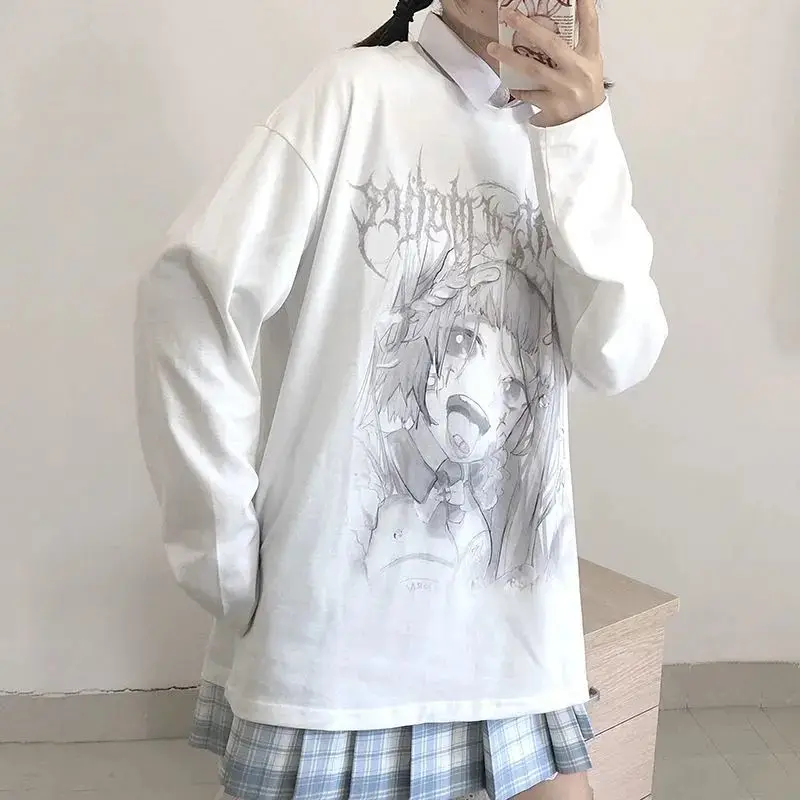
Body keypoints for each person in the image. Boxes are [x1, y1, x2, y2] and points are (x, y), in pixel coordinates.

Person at [134, 0, 667, 798]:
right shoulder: (354, 93)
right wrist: (219, 549)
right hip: (335, 655)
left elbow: (619, 355)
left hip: (513, 643)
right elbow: (191, 295)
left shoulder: (565, 137)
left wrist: (582, 139)